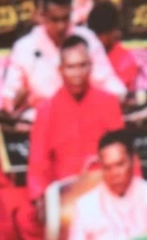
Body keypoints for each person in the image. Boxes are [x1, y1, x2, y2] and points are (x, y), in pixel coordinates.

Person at [26, 35, 126, 202]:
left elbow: (124, 153)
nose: (77, 74)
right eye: (70, 67)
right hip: (65, 195)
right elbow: (38, 164)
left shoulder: (108, 102)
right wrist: (40, 198)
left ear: (91, 66)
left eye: (82, 66)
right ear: (60, 70)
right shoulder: (46, 110)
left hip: (105, 191)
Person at [0, 0, 125, 112]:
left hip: (84, 114)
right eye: (55, 19)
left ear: (71, 11)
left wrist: (119, 97)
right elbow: (9, 96)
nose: (61, 26)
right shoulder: (24, 47)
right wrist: (15, 101)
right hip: (40, 116)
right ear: (42, 15)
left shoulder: (87, 39)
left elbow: (106, 80)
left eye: (65, 18)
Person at [88, 0, 139, 94]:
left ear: (114, 32)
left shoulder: (126, 61)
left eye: (102, 35)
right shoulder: (86, 52)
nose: (97, 40)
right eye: (95, 35)